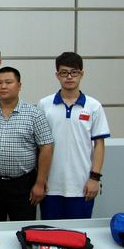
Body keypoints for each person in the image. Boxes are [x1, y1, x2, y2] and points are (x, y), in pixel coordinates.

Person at [37, 52, 110, 220]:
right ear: (57, 75)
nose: (69, 77)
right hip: (50, 186)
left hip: (81, 186)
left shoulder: (94, 106)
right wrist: (40, 179)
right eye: (64, 72)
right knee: (50, 232)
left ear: (81, 74)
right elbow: (39, 145)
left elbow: (99, 144)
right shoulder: (44, 104)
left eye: (74, 72)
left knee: (78, 233)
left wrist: (95, 178)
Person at [0, 67, 54, 222]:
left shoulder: (34, 114)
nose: (3, 86)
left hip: (23, 184)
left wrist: (40, 183)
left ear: (19, 85)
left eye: (8, 82)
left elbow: (46, 147)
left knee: (22, 228)